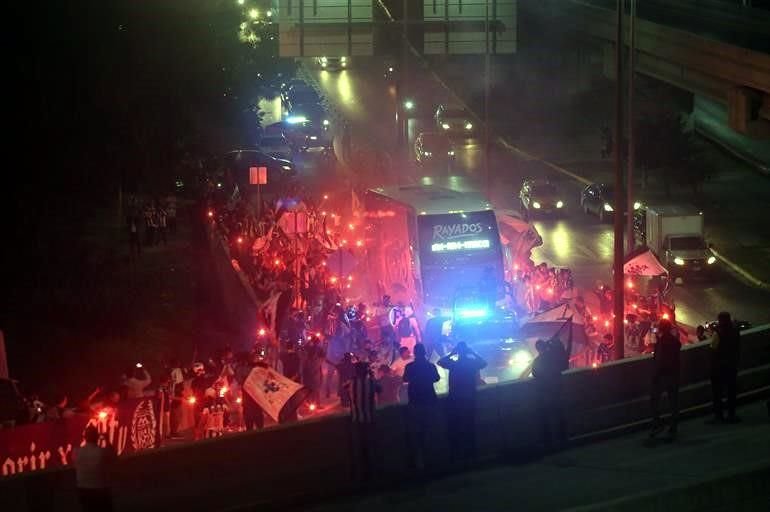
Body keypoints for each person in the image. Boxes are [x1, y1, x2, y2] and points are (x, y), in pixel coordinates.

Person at [437, 342, 487, 464]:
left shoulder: (454, 364)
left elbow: (440, 362)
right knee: (470, 425)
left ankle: (457, 455)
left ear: (458, 352)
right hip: (469, 397)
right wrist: (472, 352)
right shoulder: (471, 364)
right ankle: (471, 453)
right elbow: (483, 363)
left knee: (456, 427)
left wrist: (452, 353)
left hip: (455, 399)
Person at [402, 343, 440, 470]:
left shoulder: (410, 367)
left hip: (415, 402)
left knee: (416, 433)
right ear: (424, 353)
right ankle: (432, 461)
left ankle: (419, 463)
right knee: (430, 431)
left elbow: (405, 379)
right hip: (429, 401)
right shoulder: (430, 366)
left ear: (415, 353)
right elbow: (436, 378)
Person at [532, 336, 570, 452]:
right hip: (557, 390)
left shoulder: (537, 361)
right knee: (559, 416)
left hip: (544, 393)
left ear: (538, 349)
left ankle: (548, 444)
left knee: (545, 419)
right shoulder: (554, 358)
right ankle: (563, 441)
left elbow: (535, 374)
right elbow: (564, 365)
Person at [346, 361, 381, 481]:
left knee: (357, 451)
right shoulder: (371, 382)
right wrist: (371, 375)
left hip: (356, 422)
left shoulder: (351, 383)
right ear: (366, 371)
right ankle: (373, 476)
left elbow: (344, 391)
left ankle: (359, 478)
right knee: (371, 449)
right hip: (370, 420)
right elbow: (380, 389)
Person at [649, 318, 681, 440]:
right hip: (674, 375)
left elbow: (659, 361)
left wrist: (655, 376)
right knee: (673, 402)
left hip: (663, 376)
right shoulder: (674, 341)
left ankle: (658, 424)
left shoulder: (662, 342)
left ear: (661, 329)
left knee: (654, 400)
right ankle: (673, 426)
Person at [709, 312, 741, 424]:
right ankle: (731, 415)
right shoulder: (735, 331)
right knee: (731, 392)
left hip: (719, 368)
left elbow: (713, 349)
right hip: (732, 366)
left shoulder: (717, 333)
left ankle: (719, 416)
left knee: (717, 393)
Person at [74, 425, 115, 512]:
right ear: (97, 437)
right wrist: (107, 440)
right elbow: (113, 456)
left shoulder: (76, 452)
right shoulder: (101, 452)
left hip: (83, 490)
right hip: (100, 490)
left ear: (85, 438)